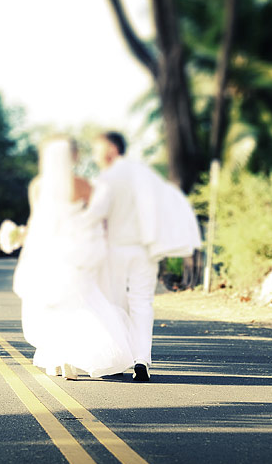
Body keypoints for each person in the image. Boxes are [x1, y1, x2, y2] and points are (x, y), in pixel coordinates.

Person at [3, 136, 135, 380]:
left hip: (46, 251)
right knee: (79, 302)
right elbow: (93, 220)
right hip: (76, 250)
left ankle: (59, 358)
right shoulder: (84, 186)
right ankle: (72, 356)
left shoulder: (38, 186)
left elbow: (36, 221)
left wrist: (21, 235)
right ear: (75, 157)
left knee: (52, 305)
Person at [85, 131, 201, 381]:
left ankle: (117, 358)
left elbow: (96, 214)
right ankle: (142, 360)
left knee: (114, 301)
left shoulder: (109, 178)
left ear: (112, 150)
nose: (95, 156)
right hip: (146, 249)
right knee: (142, 303)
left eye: (97, 149)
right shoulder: (145, 174)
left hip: (116, 249)